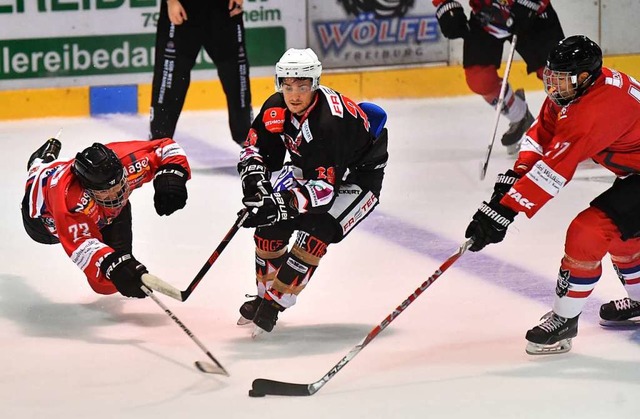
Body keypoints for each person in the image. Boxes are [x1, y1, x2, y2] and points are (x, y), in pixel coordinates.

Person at [463, 35, 640, 355]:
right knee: (623, 232)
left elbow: (554, 170)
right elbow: (542, 135)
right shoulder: (574, 90)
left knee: (589, 231)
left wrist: (504, 211)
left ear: (585, 77)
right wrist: (514, 177)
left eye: (561, 79)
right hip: (635, 175)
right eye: (552, 77)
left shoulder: (597, 109)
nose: (554, 86)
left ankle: (564, 321)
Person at [235, 48, 389, 333]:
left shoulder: (330, 123)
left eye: (303, 87)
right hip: (312, 168)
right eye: (288, 86)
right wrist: (256, 181)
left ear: (314, 84)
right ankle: (262, 295)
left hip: (357, 179)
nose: (294, 95)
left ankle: (275, 303)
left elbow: (322, 192)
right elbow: (254, 149)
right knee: (269, 226)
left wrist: (280, 202)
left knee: (316, 232)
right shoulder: (276, 107)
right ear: (279, 83)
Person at [21, 137, 191, 298]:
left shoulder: (125, 160)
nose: (116, 193)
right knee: (111, 276)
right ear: (87, 189)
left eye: (118, 184)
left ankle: (47, 163)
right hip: (42, 224)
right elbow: (82, 244)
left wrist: (172, 176)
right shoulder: (68, 201)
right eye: (105, 192)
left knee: (108, 286)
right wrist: (113, 266)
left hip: (103, 212)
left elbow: (166, 148)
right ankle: (38, 164)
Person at [433, 0, 564, 154]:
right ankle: (519, 115)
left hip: (534, 15)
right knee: (480, 80)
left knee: (560, 74)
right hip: (487, 16)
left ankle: (582, 127)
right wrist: (445, 5)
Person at [150, 0, 252, 146]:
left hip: (223, 9)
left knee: (236, 74)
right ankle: (159, 142)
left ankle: (247, 140)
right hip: (183, 7)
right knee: (170, 77)